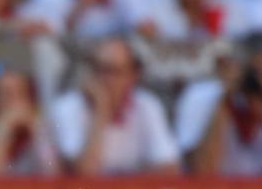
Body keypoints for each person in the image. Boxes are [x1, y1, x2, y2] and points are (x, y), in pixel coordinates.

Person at [176, 35, 262, 178]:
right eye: (261, 73)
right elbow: (200, 172)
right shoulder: (199, 96)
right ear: (237, 67)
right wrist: (223, 103)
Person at [48, 37, 182, 177]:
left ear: (132, 76)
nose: (104, 78)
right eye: (97, 68)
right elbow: (84, 173)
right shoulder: (67, 107)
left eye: (113, 71)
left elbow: (170, 167)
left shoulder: (146, 104)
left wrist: (123, 187)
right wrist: (101, 112)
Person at [0, 65, 60, 176]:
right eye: (9, 94)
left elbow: (54, 174)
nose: (17, 102)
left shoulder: (38, 125)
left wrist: (39, 134)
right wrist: (4, 130)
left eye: (22, 93)